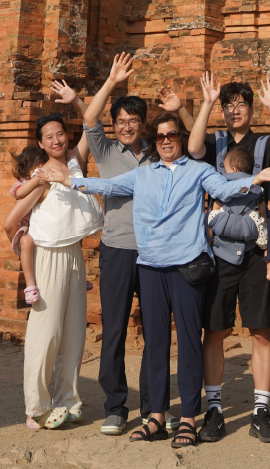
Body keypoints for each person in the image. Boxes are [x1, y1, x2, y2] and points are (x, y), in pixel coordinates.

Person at [53, 110, 270, 450]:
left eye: (172, 135)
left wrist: (254, 179)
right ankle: (157, 417)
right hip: (149, 267)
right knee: (156, 345)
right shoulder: (142, 174)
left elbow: (224, 187)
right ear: (155, 140)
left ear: (180, 138)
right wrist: (68, 180)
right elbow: (106, 186)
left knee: (190, 344)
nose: (166, 141)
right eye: (160, 137)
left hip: (187, 268)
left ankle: (190, 418)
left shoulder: (199, 171)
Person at [59, 53, 194, 437]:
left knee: (155, 332)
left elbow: (198, 146)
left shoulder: (159, 152)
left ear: (143, 125)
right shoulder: (105, 151)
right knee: (115, 329)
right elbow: (89, 120)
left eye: (132, 121)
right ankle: (116, 406)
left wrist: (181, 109)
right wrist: (113, 80)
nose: (125, 127)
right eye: (119, 122)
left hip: (155, 252)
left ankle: (155, 408)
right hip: (117, 248)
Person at [187, 74, 270, 444]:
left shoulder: (265, 144)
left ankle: (261, 411)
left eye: (242, 105)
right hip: (218, 251)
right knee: (215, 330)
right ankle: (215, 410)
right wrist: (205, 103)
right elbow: (191, 148)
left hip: (254, 253)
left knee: (260, 330)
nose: (234, 111)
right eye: (228, 105)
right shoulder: (214, 141)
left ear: (252, 109)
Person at [4, 112, 104, 431]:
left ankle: (68, 401)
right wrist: (25, 247)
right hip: (48, 255)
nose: (56, 140)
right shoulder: (42, 177)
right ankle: (37, 406)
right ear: (40, 143)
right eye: (49, 136)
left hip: (74, 254)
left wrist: (104, 86)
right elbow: (11, 219)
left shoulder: (74, 165)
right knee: (46, 334)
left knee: (74, 334)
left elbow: (92, 119)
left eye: (60, 134)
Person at [207, 145, 270, 263]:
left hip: (223, 226)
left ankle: (209, 242)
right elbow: (262, 212)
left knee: (209, 219)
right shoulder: (256, 188)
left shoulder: (224, 186)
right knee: (269, 241)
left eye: (225, 168)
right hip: (250, 228)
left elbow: (216, 206)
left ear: (234, 169)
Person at [8, 144, 48, 305]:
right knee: (26, 241)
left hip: (43, 223)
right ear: (27, 170)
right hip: (26, 226)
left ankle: (77, 278)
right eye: (37, 168)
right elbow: (19, 193)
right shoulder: (22, 183)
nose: (41, 171)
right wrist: (37, 180)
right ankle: (30, 285)